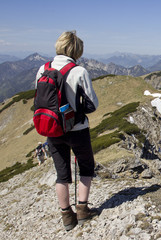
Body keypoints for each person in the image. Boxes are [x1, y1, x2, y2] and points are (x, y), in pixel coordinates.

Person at [35, 31, 99, 231]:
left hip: (52, 129)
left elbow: (39, 99)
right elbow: (93, 104)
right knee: (86, 167)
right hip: (77, 129)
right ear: (76, 50)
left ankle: (66, 216)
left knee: (61, 174)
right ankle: (82, 210)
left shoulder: (42, 69)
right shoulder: (79, 71)